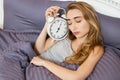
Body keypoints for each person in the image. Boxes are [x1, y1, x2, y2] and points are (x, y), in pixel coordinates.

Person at [31, 1, 104, 80]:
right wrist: (48, 22)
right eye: (69, 23)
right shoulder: (64, 34)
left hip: (45, 71)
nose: (73, 27)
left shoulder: (96, 49)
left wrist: (44, 63)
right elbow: (38, 50)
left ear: (90, 20)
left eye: (78, 21)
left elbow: (76, 77)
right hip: (34, 67)